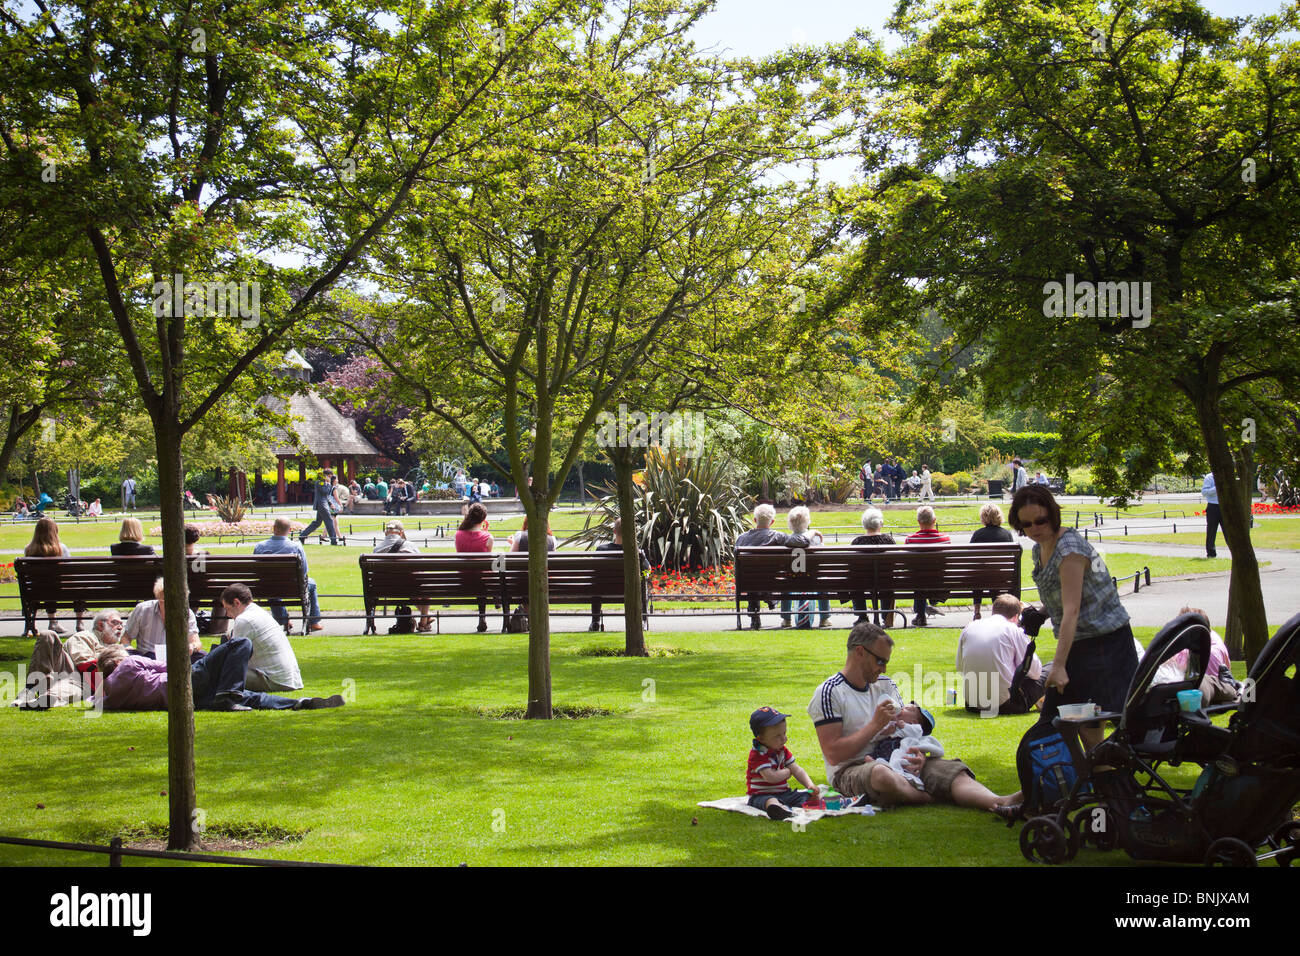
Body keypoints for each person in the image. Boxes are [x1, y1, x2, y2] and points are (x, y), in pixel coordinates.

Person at [808, 622, 1023, 814]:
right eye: (880, 661)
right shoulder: (830, 692)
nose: (884, 668)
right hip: (852, 769)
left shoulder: (886, 684)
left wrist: (918, 754)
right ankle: (929, 798)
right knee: (881, 775)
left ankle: (1000, 803)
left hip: (897, 757)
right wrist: (874, 726)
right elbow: (834, 754)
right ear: (860, 652)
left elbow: (904, 730)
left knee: (949, 771)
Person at [1010, 484, 1138, 752]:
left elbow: (1072, 610)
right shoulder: (1040, 548)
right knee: (1063, 724)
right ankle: (1085, 786)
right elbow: (1064, 596)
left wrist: (1057, 666)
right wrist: (1042, 612)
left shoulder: (1069, 548)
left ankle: (1109, 787)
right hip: (1079, 645)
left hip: (1104, 645)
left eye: (1040, 520)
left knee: (1088, 726)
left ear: (1053, 514)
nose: (1034, 528)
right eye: (1026, 524)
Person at [96, 641, 342, 712]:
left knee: (249, 697)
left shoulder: (113, 697)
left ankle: (300, 704)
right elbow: (170, 666)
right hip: (186, 682)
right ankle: (228, 695)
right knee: (239, 645)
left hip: (185, 701)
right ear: (117, 661)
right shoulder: (128, 663)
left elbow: (96, 703)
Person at [955, 593, 1044, 715]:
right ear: (1016, 616)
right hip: (1005, 704)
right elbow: (1035, 672)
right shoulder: (1013, 630)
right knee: (1051, 669)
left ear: (993, 611)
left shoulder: (970, 627)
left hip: (972, 704)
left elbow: (960, 667)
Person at [220, 583, 304, 692]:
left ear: (237, 603)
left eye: (228, 608)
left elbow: (234, 659)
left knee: (220, 672)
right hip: (289, 679)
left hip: (274, 680)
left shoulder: (244, 620)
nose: (227, 614)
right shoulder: (258, 611)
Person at [1153, 606, 1240, 706]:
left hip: (1196, 690)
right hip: (1201, 686)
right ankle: (1228, 684)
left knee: (1214, 685)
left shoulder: (1200, 654)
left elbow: (1196, 682)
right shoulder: (1212, 637)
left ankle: (1229, 685)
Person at [746, 706, 819, 820]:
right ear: (761, 739)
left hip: (784, 793)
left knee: (807, 796)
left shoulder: (782, 750)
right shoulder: (758, 755)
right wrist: (787, 772)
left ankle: (801, 804)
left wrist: (809, 785)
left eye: (784, 733)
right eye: (777, 736)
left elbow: (797, 769)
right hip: (761, 795)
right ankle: (776, 809)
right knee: (770, 800)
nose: (784, 739)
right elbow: (770, 777)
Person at [254, 517, 324, 633]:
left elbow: (257, 570)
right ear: (290, 529)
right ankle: (313, 621)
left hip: (268, 586)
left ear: (274, 528)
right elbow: (304, 570)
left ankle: (283, 619)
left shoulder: (260, 547)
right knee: (312, 583)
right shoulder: (295, 547)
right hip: (294, 586)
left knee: (271, 585)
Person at [589, 516, 650, 632]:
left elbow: (594, 572)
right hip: (630, 590)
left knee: (596, 586)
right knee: (643, 587)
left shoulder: (602, 549)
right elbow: (648, 570)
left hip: (603, 590)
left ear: (614, 531)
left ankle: (595, 621)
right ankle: (642, 620)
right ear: (632, 531)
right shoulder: (636, 551)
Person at [735, 503, 789, 629]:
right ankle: (771, 598)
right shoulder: (778, 536)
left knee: (753, 578)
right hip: (771, 581)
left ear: (754, 520)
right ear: (772, 522)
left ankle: (754, 614)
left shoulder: (742, 539)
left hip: (748, 583)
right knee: (763, 577)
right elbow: (795, 541)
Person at [373, 520, 433, 632]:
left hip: (386, 590)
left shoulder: (377, 549)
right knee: (418, 584)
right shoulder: (410, 546)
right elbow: (422, 568)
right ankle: (423, 622)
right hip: (410, 588)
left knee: (409, 583)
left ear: (386, 533)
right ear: (401, 533)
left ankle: (426, 617)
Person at [122, 577, 203, 660]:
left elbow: (197, 642)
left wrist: (192, 647)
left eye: (176, 602)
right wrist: (128, 649)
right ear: (158, 598)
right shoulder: (143, 609)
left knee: (203, 657)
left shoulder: (187, 613)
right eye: (165, 602)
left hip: (176, 657)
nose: (170, 606)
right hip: (148, 656)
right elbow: (126, 638)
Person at [780, 506, 831, 629]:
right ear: (808, 522)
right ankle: (824, 618)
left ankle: (786, 619)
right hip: (813, 578)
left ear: (790, 524)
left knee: (786, 586)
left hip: (792, 579)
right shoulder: (816, 538)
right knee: (822, 583)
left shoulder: (787, 540)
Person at [850, 507, 897, 626]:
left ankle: (862, 616)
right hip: (885, 582)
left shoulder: (857, 542)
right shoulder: (889, 541)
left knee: (855, 581)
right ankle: (886, 614)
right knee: (887, 580)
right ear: (880, 523)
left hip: (862, 583)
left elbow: (852, 568)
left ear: (864, 525)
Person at [24, 516, 71, 630]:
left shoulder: (29, 549)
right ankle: (78, 623)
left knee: (46, 585)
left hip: (35, 590)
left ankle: (34, 625)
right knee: (52, 585)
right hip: (59, 589)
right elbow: (69, 570)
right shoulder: (61, 548)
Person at [905, 506, 949, 626]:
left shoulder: (910, 540)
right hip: (938, 581)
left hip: (917, 581)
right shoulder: (945, 539)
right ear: (934, 520)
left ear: (918, 522)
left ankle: (920, 615)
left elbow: (907, 564)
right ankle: (932, 602)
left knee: (918, 577)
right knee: (926, 576)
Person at [969, 503, 1014, 619]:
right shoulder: (1006, 534)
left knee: (978, 575)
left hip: (980, 578)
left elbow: (971, 557)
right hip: (1001, 577)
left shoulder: (978, 534)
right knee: (994, 575)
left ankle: (977, 611)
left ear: (983, 517)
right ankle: (996, 613)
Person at [455, 503, 495, 633]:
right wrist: (486, 531)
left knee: (480, 575)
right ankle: (494, 600)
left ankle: (485, 613)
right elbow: (488, 559)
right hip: (482, 580)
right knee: (499, 562)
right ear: (484, 519)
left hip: (463, 578)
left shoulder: (458, 534)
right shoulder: (488, 537)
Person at [299, 469, 339, 546]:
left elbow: (326, 496)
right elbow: (325, 491)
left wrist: (330, 503)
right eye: (329, 476)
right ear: (326, 475)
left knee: (317, 523)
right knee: (329, 521)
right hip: (321, 504)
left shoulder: (325, 483)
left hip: (323, 504)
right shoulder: (319, 482)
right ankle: (334, 541)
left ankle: (302, 536)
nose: (330, 478)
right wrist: (329, 484)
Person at [1201, 471, 1221, 559]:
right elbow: (1204, 492)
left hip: (1225, 506)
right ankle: (1211, 553)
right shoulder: (1209, 477)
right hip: (1213, 506)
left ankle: (1236, 552)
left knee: (1229, 531)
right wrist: (1216, 488)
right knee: (1211, 531)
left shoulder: (1227, 476)